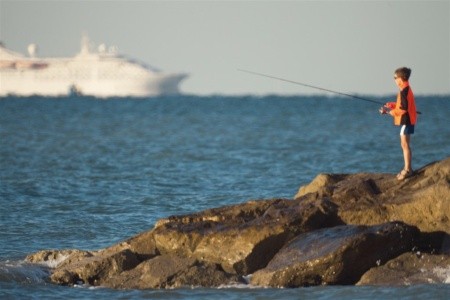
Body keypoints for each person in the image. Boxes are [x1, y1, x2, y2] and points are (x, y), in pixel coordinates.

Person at [379, 67, 417, 180]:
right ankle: (408, 168)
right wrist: (391, 105)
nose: (394, 80)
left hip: (406, 120)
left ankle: (408, 170)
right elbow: (402, 105)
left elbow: (403, 109)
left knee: (405, 145)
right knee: (404, 145)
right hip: (407, 120)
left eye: (395, 77)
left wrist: (389, 112)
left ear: (401, 78)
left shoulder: (404, 91)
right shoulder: (405, 89)